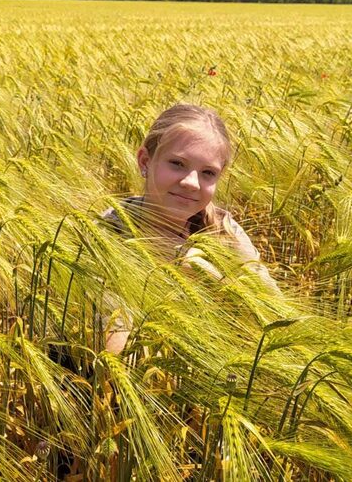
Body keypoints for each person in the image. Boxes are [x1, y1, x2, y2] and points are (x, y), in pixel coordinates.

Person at [101, 104, 279, 353]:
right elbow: (112, 347)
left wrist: (213, 279)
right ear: (145, 161)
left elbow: (272, 311)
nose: (191, 183)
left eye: (208, 173)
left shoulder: (225, 233)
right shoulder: (109, 231)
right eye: (177, 163)